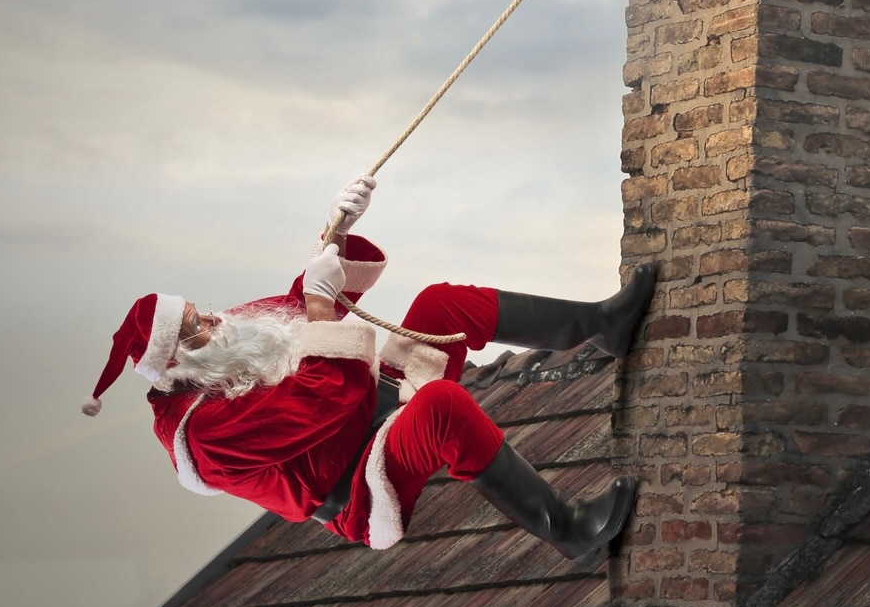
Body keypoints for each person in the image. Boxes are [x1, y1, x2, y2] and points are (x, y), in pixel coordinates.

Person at [85, 178, 652, 560]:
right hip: (361, 477)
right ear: (176, 362)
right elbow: (325, 391)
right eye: (194, 326)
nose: (212, 319)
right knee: (441, 408)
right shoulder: (204, 437)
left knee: (441, 303)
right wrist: (318, 301)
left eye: (196, 309)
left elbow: (296, 306)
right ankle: (571, 530)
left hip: (372, 402)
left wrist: (334, 233)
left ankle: (604, 326)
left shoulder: (220, 348)